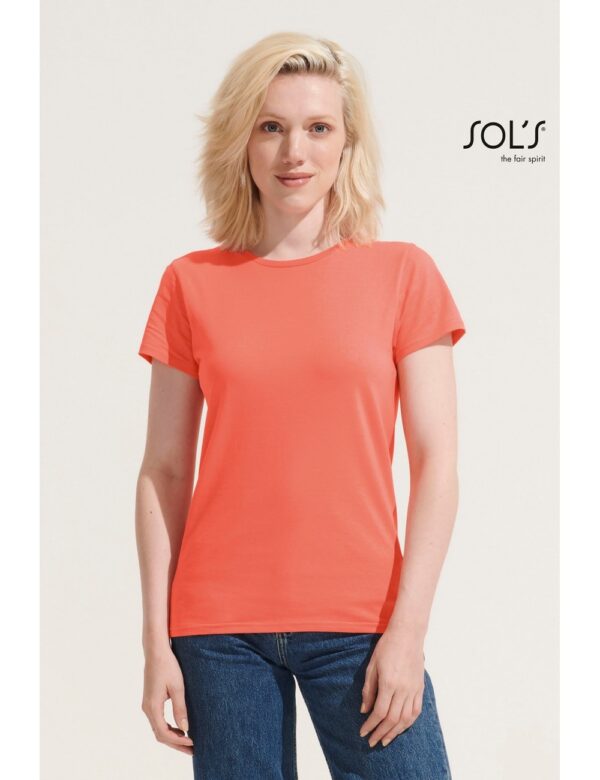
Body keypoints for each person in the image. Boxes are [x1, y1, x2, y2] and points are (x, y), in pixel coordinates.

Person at [135, 31, 466, 780]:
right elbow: (163, 471)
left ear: (348, 143)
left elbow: (436, 465)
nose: (295, 152)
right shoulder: (190, 283)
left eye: (319, 127)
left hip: (363, 622)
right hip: (218, 631)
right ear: (241, 140)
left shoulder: (402, 274)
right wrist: (156, 641)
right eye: (271, 126)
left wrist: (408, 631)